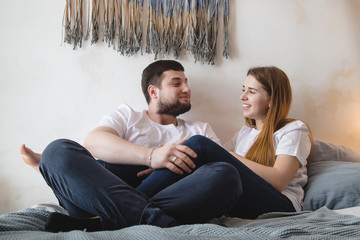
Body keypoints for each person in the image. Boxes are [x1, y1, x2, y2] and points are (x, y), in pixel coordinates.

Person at [20, 60, 241, 232]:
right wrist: (153, 156)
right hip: (103, 194)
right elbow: (94, 142)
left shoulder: (200, 130)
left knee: (226, 174)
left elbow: (215, 172)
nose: (186, 88)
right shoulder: (127, 115)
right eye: (177, 83)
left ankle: (103, 223)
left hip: (173, 193)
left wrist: (165, 172)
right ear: (153, 91)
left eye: (187, 82)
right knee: (57, 151)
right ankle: (153, 219)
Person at [140, 66, 313, 219]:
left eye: (251, 92)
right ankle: (143, 209)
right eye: (243, 89)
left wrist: (229, 156)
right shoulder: (245, 133)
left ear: (272, 99)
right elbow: (213, 164)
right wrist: (170, 161)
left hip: (282, 205)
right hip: (245, 201)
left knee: (200, 144)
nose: (242, 96)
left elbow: (279, 180)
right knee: (215, 171)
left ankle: (132, 200)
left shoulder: (294, 129)